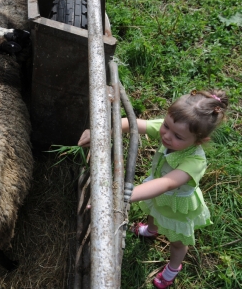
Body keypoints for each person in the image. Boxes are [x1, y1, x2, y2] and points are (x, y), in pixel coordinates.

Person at [78, 89, 229, 288]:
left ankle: (174, 267)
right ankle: (151, 230)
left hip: (177, 206)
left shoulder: (195, 161)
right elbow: (131, 123)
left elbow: (166, 184)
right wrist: (101, 132)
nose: (166, 135)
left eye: (177, 136)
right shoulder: (171, 130)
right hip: (156, 193)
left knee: (177, 241)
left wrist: (117, 196)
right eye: (166, 125)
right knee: (153, 212)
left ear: (199, 141)